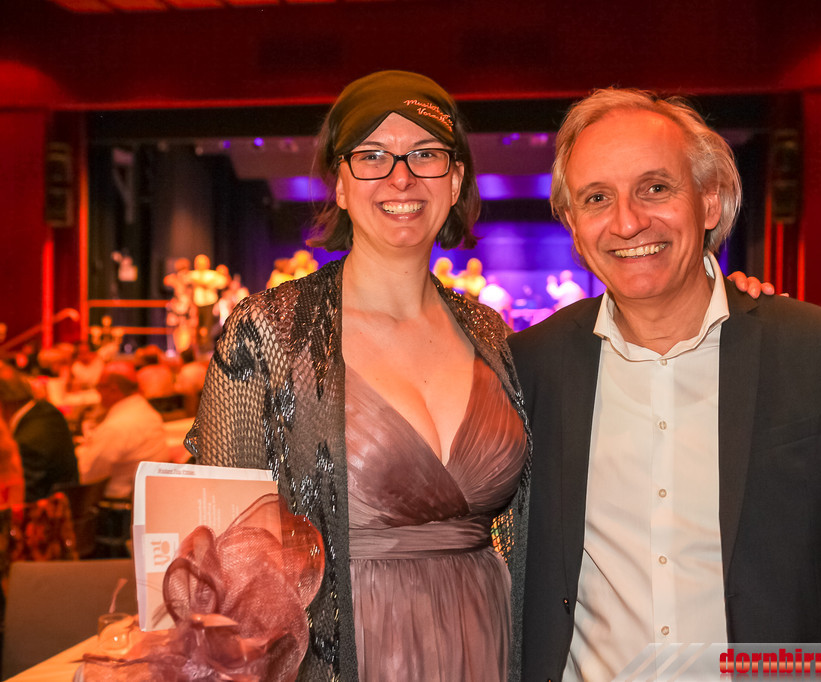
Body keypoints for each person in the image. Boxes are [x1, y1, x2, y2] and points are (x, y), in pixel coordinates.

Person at [508, 88, 821, 680]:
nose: (628, 222)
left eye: (655, 188)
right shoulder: (532, 365)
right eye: (597, 198)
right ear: (575, 227)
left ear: (709, 202)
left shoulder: (812, 352)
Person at [186, 70, 530, 681]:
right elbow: (220, 544)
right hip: (347, 656)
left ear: (455, 181)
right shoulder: (272, 332)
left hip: (489, 639)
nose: (401, 177)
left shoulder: (491, 334)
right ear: (341, 185)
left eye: (425, 154)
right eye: (372, 156)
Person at [77, 361, 170, 499]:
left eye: (99, 387)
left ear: (113, 390)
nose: (98, 392)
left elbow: (86, 474)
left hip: (121, 502)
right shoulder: (146, 411)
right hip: (151, 495)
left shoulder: (116, 426)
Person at [0, 363, 78, 503]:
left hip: (47, 511)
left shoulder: (26, 442)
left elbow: (21, 498)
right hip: (68, 503)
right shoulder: (47, 410)